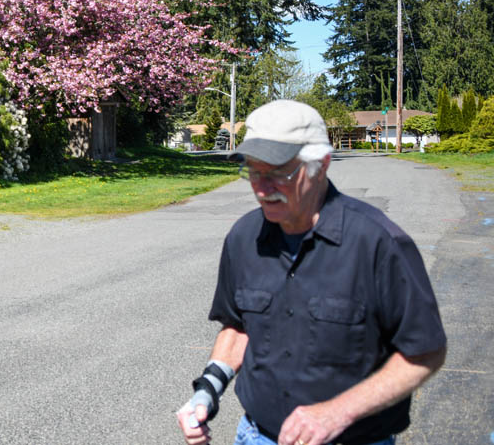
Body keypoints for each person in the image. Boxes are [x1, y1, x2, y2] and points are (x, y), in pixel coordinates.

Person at [176, 99, 446, 445]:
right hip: (256, 436)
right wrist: (208, 390)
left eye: (277, 172)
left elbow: (425, 351)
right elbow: (239, 327)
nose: (261, 187)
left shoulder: (378, 243)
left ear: (322, 164)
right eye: (253, 171)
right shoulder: (244, 238)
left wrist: (338, 412)